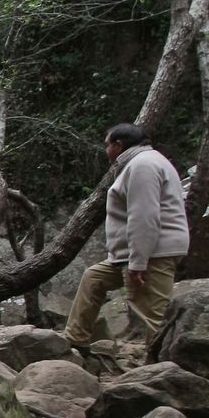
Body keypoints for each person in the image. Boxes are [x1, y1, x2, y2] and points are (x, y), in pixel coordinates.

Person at [63, 123, 189, 348]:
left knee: (153, 313)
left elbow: (144, 216)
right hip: (134, 253)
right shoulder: (145, 162)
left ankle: (161, 366)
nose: (105, 150)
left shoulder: (143, 165)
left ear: (118, 145)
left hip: (153, 252)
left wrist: (138, 262)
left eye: (107, 145)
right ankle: (74, 342)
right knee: (94, 278)